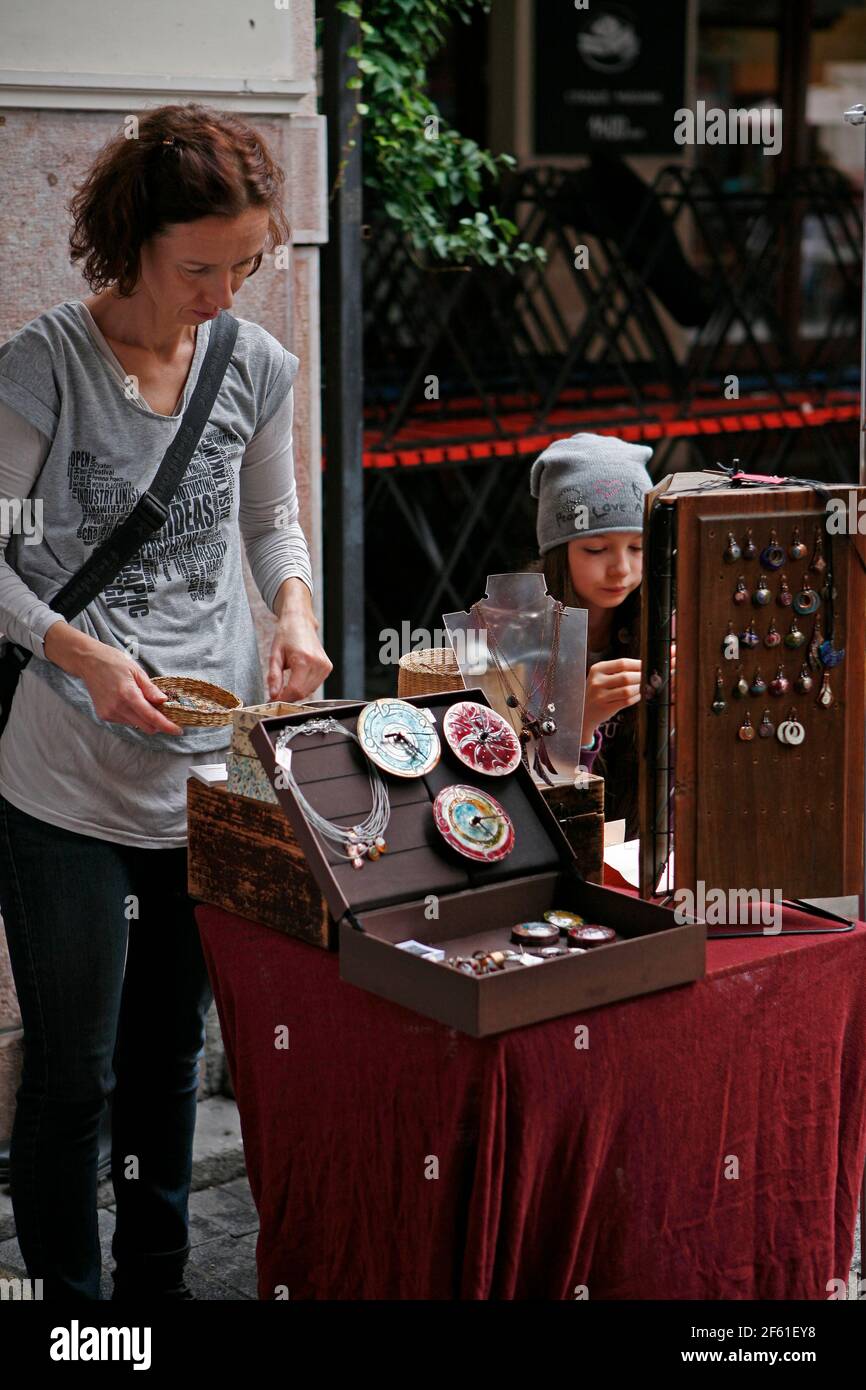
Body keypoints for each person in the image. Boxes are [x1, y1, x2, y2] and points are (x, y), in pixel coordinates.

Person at [0, 103, 331, 1302]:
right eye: (200, 267)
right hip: (66, 786)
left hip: (204, 777)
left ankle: (153, 1297)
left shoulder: (253, 363)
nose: (223, 292)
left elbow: (271, 521)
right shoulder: (43, 367)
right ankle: (75, 1318)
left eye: (244, 265)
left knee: (166, 1070)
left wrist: (293, 613)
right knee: (75, 1073)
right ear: (133, 238)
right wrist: (80, 655)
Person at [530, 432, 657, 840]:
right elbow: (512, 791)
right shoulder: (514, 636)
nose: (621, 569)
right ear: (558, 553)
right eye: (597, 549)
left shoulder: (661, 621)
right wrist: (579, 724)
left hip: (644, 855)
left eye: (638, 548)